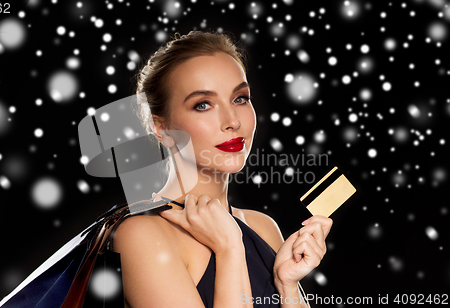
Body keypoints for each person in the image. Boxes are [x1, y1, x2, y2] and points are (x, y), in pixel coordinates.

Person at [112, 30, 333, 308]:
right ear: (161, 128)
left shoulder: (262, 227)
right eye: (203, 105)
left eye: (240, 98)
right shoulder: (141, 236)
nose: (232, 121)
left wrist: (287, 286)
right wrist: (229, 250)